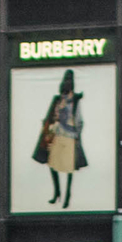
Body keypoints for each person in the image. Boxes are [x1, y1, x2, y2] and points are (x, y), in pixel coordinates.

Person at [31, 70, 87, 207]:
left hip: (69, 137)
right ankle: (57, 193)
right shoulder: (57, 100)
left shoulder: (75, 101)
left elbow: (79, 120)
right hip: (56, 135)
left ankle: (67, 196)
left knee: (69, 168)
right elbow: (50, 115)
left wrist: (76, 134)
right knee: (52, 164)